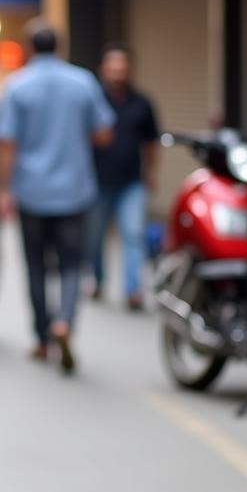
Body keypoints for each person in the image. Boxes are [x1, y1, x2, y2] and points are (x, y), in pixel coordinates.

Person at [0, 20, 114, 372]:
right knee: (73, 263)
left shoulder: (17, 86)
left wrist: (3, 190)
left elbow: (6, 143)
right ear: (59, 46)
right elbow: (104, 133)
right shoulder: (83, 82)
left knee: (35, 265)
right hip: (76, 190)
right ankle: (66, 320)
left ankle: (43, 338)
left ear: (30, 47)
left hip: (31, 191)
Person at [89, 44, 160, 310]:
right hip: (97, 182)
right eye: (112, 68)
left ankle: (133, 290)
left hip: (132, 181)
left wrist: (151, 173)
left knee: (134, 233)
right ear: (103, 70)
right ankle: (96, 279)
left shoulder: (142, 103)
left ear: (130, 70)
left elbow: (151, 142)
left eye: (122, 68)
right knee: (94, 237)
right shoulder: (93, 100)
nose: (118, 73)